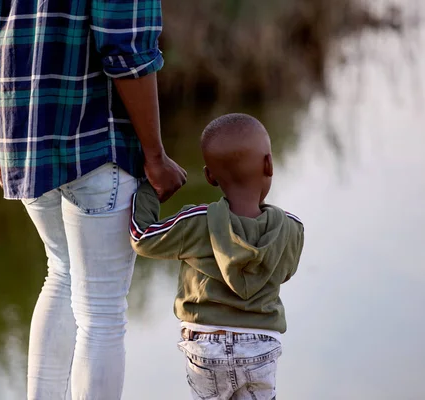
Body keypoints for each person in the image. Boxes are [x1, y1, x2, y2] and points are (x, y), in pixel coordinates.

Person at [0, 0, 186, 399]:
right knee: (102, 313)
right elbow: (126, 49)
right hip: (96, 143)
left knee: (60, 273)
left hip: (20, 143)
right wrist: (156, 157)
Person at [130, 114, 304, 400]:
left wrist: (147, 187)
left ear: (210, 176)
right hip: (261, 347)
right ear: (269, 164)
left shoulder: (198, 222)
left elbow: (143, 238)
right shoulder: (292, 229)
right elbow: (284, 271)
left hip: (205, 345)